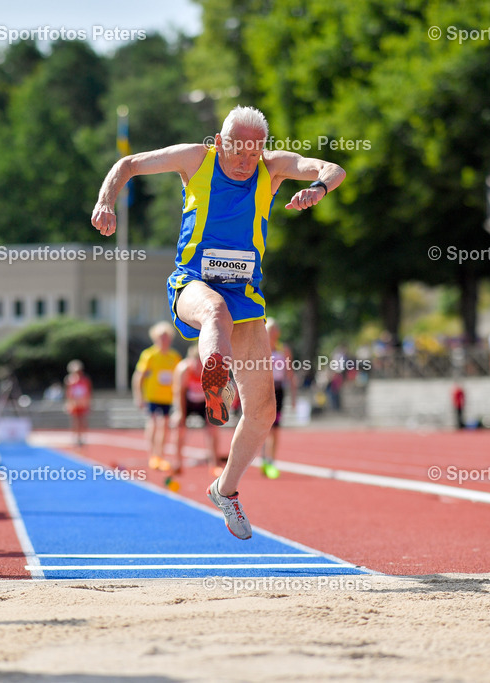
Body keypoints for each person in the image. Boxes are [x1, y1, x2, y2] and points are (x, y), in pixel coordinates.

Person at [92, 105, 345, 539]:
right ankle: (217, 381)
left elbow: (332, 168)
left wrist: (317, 189)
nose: (246, 161)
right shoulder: (195, 159)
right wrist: (105, 201)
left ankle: (225, 489)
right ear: (219, 142)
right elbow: (128, 164)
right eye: (237, 150)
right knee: (214, 312)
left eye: (253, 152)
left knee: (263, 412)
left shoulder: (272, 168)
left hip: (245, 294)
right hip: (193, 282)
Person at [132, 323, 182, 469]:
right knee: (153, 424)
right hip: (152, 396)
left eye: (166, 337)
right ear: (155, 338)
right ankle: (152, 455)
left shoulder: (175, 357)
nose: (164, 339)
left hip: (168, 397)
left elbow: (179, 378)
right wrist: (138, 396)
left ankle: (160, 456)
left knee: (165, 426)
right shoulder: (149, 355)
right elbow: (139, 376)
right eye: (161, 337)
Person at [171, 343, 225, 476]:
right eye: (196, 363)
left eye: (201, 364)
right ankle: (178, 462)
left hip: (204, 401)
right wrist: (181, 414)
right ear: (190, 361)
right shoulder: (183, 370)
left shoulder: (211, 370)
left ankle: (214, 464)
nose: (198, 367)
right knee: (179, 427)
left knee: (213, 427)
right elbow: (179, 392)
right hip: (187, 400)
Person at [260, 318, 296, 478]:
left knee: (275, 429)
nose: (273, 333)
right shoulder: (260, 348)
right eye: (270, 329)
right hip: (262, 391)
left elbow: (290, 373)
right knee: (263, 428)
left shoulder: (284, 350)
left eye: (275, 329)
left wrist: (294, 396)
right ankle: (263, 459)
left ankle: (271, 461)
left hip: (278, 391)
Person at [64, 360, 92, 447]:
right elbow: (68, 393)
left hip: (82, 403)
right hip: (74, 403)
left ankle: (82, 437)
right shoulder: (70, 380)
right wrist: (69, 403)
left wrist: (88, 402)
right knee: (75, 421)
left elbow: (88, 391)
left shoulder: (85, 380)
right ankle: (76, 438)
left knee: (82, 421)